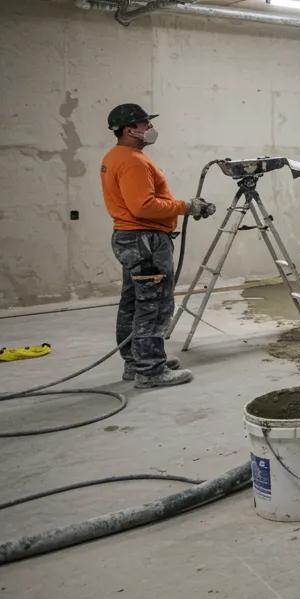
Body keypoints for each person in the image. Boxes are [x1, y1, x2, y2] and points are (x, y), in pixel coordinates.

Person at [100, 103, 214, 388]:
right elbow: (143, 206)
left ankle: (136, 362)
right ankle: (150, 371)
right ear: (130, 130)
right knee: (154, 304)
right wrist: (186, 207)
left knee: (133, 302)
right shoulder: (133, 161)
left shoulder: (115, 156)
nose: (150, 128)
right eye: (145, 124)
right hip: (145, 240)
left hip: (131, 238)